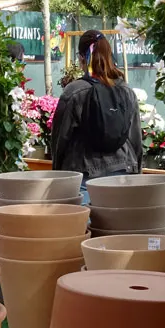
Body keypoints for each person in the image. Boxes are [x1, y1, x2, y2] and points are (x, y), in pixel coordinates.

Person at [51, 31, 142, 203]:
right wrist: (137, 172)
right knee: (116, 228)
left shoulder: (74, 91)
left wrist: (58, 173)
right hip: (123, 172)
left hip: (84, 176)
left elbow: (60, 139)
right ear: (110, 55)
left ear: (81, 58)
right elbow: (135, 138)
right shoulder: (127, 91)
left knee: (83, 227)